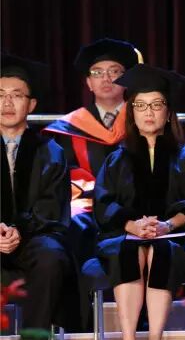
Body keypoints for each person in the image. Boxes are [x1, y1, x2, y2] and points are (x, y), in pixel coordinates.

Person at [93, 64, 185, 340]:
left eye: (157, 104)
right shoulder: (117, 159)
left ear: (168, 112)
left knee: (160, 250)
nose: (149, 112)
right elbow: (103, 203)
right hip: (125, 236)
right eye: (141, 105)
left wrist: (167, 225)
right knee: (131, 250)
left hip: (174, 238)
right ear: (131, 113)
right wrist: (132, 225)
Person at [1, 54, 74, 340]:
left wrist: (19, 229)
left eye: (16, 95)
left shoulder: (50, 150)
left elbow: (51, 205)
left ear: (31, 104)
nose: (7, 103)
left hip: (32, 240)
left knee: (51, 256)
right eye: (0, 95)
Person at [42, 38, 142, 269]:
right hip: (87, 204)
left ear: (126, 80)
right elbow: (65, 173)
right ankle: (81, 290)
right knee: (73, 223)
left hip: (133, 204)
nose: (106, 78)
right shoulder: (68, 127)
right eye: (97, 72)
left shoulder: (142, 121)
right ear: (89, 82)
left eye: (114, 71)